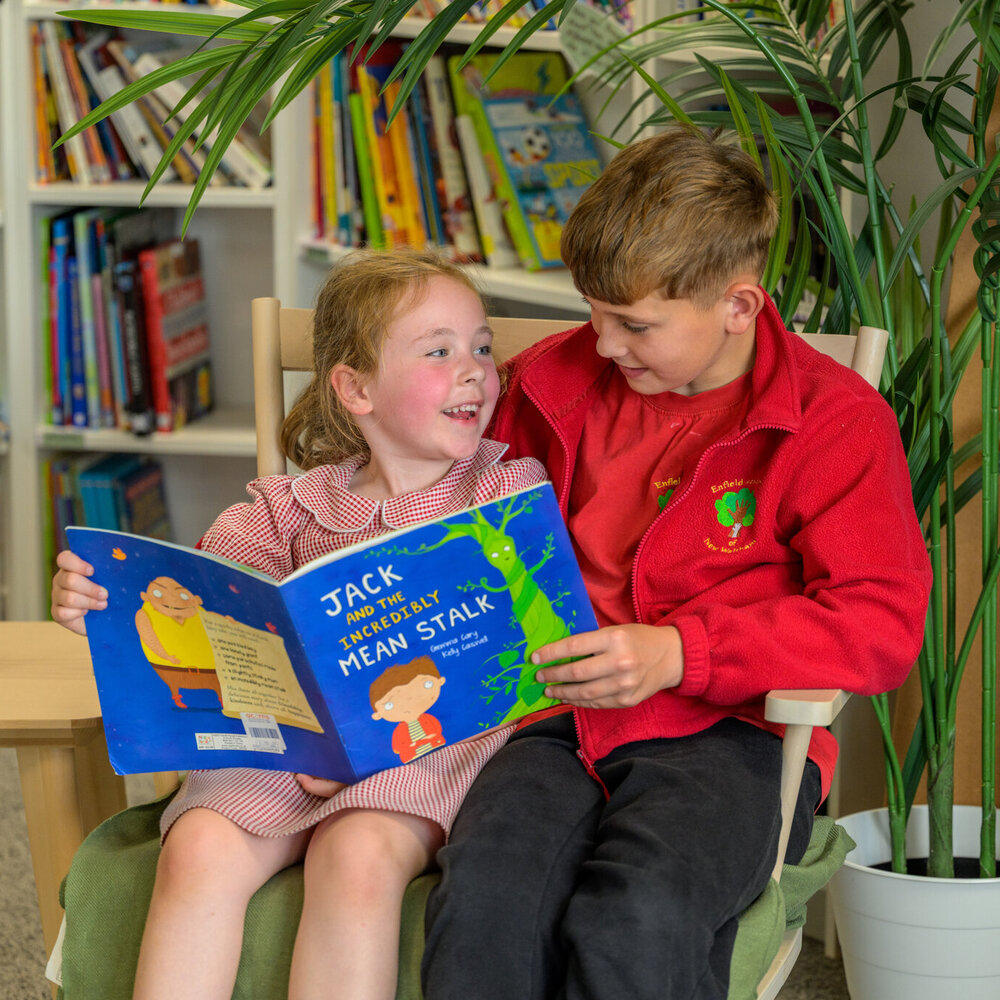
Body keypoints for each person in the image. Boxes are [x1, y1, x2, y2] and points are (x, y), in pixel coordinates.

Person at [420, 125, 932, 1000]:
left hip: (732, 734)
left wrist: (681, 653)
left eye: (635, 324)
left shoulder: (835, 421)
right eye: (593, 312)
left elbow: (880, 624)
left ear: (738, 305)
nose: (604, 344)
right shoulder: (550, 382)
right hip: (552, 716)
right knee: (484, 903)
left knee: (638, 916)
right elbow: (437, 508)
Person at [50, 248, 546, 1000]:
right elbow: (196, 599)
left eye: (482, 347)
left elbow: (528, 644)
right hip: (286, 748)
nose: (475, 371)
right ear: (355, 388)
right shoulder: (289, 506)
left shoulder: (507, 493)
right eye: (438, 352)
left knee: (355, 857)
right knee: (198, 847)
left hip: (420, 748)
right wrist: (104, 603)